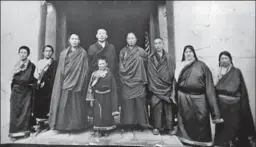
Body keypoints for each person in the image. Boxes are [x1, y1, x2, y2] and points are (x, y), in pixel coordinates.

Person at [175, 45, 223, 146]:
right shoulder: (180, 66)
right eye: (186, 52)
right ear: (184, 54)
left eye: (190, 52)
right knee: (185, 121)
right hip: (183, 98)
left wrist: (215, 113)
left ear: (194, 53)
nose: (188, 54)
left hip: (199, 98)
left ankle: (202, 143)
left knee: (201, 119)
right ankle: (186, 141)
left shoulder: (202, 66)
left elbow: (209, 87)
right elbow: (175, 83)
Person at [214, 51, 256, 147]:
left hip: (234, 106)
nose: (223, 60)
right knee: (222, 129)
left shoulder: (236, 72)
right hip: (221, 106)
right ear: (219, 61)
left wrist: (243, 105)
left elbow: (242, 90)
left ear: (230, 60)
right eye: (222, 58)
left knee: (235, 128)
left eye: (226, 58)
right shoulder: (215, 73)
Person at [48, 34, 89, 131]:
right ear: (69, 41)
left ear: (79, 41)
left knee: (77, 104)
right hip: (66, 80)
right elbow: (61, 69)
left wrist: (82, 80)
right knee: (64, 103)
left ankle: (77, 126)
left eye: (76, 39)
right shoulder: (63, 53)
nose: (74, 41)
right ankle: (63, 126)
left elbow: (85, 69)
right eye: (73, 39)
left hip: (78, 81)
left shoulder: (83, 53)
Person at [119, 32, 149, 131]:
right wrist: (125, 76)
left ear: (136, 40)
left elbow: (147, 66)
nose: (131, 40)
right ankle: (127, 125)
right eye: (129, 38)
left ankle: (140, 125)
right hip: (126, 81)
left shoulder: (141, 51)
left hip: (139, 81)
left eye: (132, 38)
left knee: (139, 103)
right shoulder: (123, 51)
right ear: (126, 40)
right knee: (127, 104)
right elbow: (121, 66)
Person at [147, 38, 176, 135]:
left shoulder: (169, 57)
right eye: (155, 44)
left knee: (168, 107)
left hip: (167, 86)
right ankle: (156, 127)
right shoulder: (151, 58)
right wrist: (154, 85)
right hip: (155, 87)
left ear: (163, 44)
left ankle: (169, 127)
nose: (157, 45)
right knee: (156, 106)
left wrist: (170, 85)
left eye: (159, 43)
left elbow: (172, 72)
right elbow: (150, 73)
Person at [86, 56, 120, 137]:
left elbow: (113, 87)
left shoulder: (110, 74)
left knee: (106, 112)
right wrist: (91, 98)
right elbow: (90, 87)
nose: (101, 65)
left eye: (103, 63)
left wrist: (113, 99)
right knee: (98, 113)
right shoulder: (94, 74)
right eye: (100, 64)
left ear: (106, 64)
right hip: (97, 96)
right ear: (97, 64)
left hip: (107, 96)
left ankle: (106, 130)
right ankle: (98, 130)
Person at [9, 46, 36, 138]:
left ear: (28, 54)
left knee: (25, 111)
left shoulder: (31, 66)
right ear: (19, 53)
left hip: (26, 91)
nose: (22, 54)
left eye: (25, 52)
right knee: (14, 111)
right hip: (16, 91)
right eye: (21, 52)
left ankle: (24, 132)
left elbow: (32, 78)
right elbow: (12, 78)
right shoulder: (16, 65)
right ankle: (14, 132)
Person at [33, 45, 58, 131]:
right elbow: (36, 74)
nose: (48, 53)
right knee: (40, 104)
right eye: (46, 51)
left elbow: (56, 75)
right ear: (43, 52)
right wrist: (39, 81)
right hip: (41, 87)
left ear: (52, 53)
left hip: (50, 87)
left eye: (50, 51)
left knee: (50, 104)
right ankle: (41, 124)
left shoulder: (54, 63)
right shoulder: (39, 62)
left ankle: (51, 124)